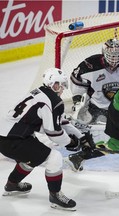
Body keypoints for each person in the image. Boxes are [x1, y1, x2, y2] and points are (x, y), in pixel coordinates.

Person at [0, 68, 92, 211]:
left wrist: (81, 137)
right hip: (13, 140)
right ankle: (55, 196)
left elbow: (61, 122)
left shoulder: (39, 91)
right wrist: (72, 143)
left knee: (33, 156)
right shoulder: (54, 101)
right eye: (58, 85)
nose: (61, 89)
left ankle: (12, 184)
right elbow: (54, 133)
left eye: (61, 85)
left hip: (10, 136)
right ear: (50, 84)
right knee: (54, 157)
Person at [70, 38, 119, 125]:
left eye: (117, 55)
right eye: (111, 56)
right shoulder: (90, 65)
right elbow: (77, 82)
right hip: (97, 108)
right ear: (104, 54)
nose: (114, 60)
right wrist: (78, 102)